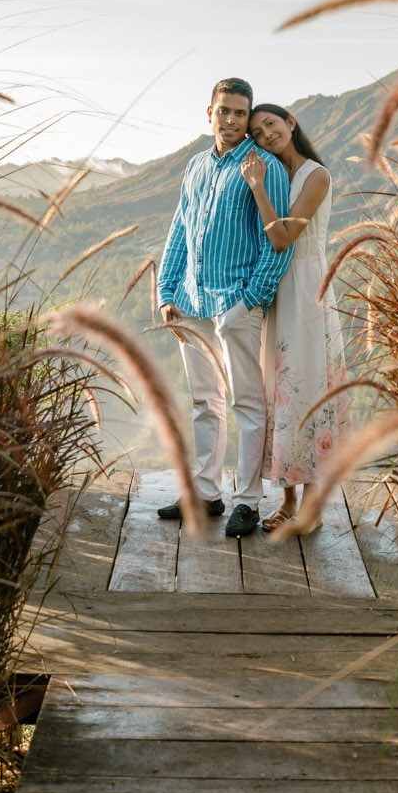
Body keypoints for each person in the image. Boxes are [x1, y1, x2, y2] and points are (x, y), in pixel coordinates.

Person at [155, 77, 293, 539]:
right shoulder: (195, 166)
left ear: (246, 116)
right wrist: (166, 292)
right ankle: (206, 493)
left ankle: (248, 502)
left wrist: (252, 298)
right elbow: (180, 230)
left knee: (247, 402)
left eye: (239, 112)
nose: (231, 119)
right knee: (203, 401)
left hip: (235, 302)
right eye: (223, 111)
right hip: (192, 302)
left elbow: (279, 240)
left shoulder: (264, 166)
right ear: (208, 112)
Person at [242, 102, 347, 533]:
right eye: (257, 132)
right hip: (277, 291)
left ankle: (314, 509)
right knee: (280, 392)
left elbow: (284, 237)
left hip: (307, 290)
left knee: (308, 389)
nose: (266, 134)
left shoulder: (315, 175)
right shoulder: (275, 172)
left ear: (290, 122)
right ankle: (286, 501)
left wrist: (257, 188)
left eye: (270, 123)